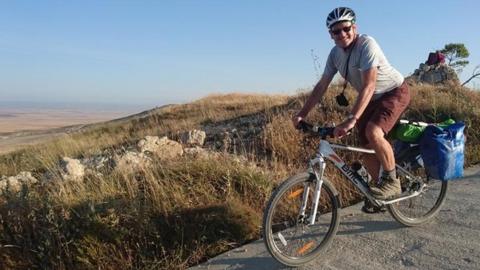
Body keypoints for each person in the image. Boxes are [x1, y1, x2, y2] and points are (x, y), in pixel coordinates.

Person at [292, 7, 410, 202]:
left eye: (346, 28)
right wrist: (301, 114)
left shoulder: (367, 44)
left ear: (354, 27)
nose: (342, 34)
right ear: (330, 34)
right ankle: (378, 193)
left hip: (394, 91)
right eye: (336, 31)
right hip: (372, 99)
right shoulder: (334, 55)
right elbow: (322, 86)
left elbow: (369, 85)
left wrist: (351, 119)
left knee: (373, 132)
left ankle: (392, 182)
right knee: (365, 143)